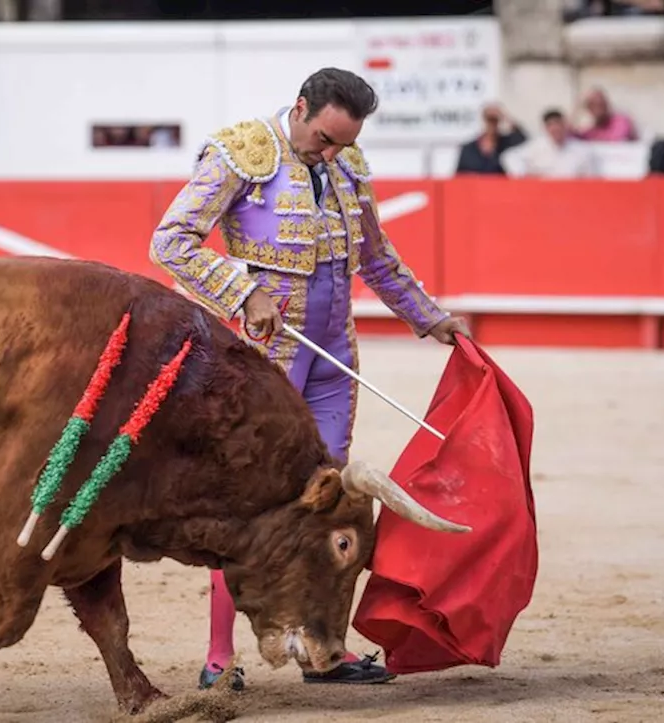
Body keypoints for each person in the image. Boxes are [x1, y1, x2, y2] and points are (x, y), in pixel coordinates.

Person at [148, 67, 470, 691]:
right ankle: (221, 656)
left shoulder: (348, 167)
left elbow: (376, 258)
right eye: (324, 138)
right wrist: (242, 293)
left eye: (342, 143)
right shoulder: (242, 152)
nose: (331, 153)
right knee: (243, 505)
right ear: (300, 108)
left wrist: (430, 319)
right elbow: (171, 242)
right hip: (266, 363)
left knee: (330, 511)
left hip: (332, 362)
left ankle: (324, 651)